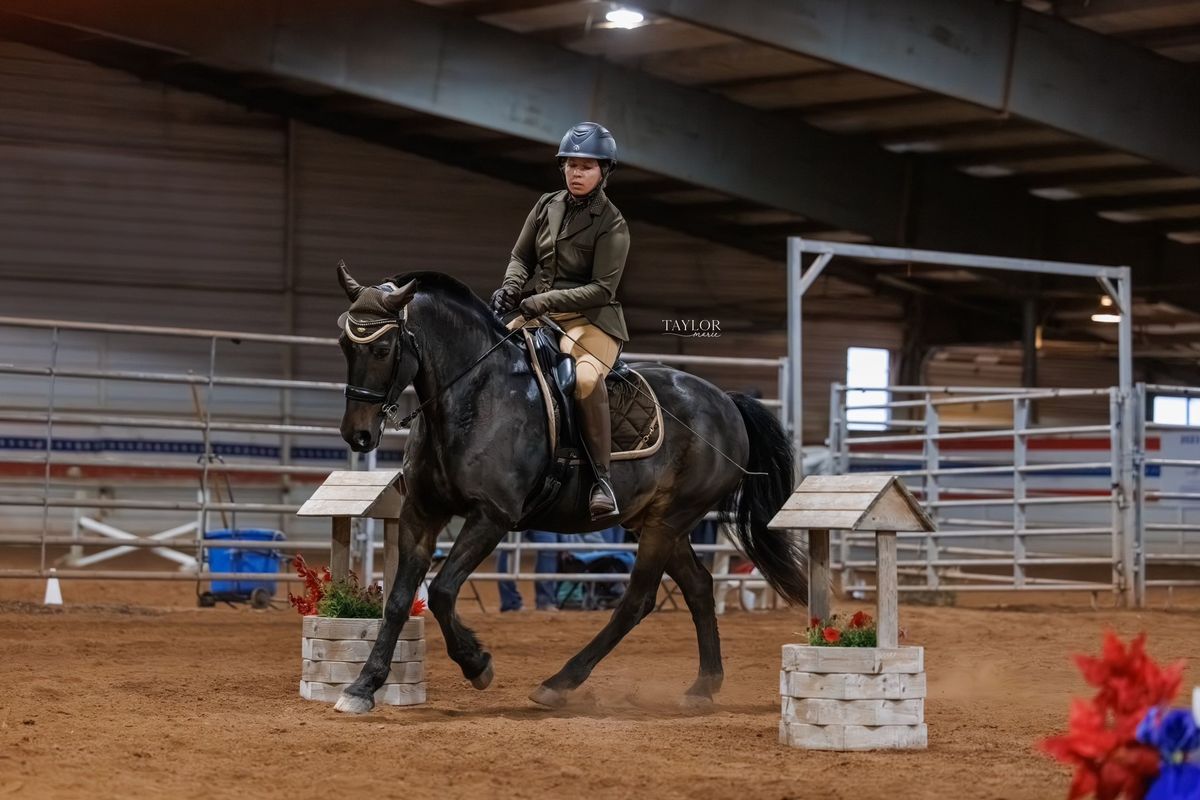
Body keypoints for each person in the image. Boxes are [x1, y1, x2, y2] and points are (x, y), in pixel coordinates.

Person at [490, 122, 630, 519]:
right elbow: (521, 257)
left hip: (591, 321)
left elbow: (603, 289)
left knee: (585, 380)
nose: (576, 173)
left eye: (586, 167)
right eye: (570, 165)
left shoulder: (613, 223)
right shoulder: (545, 205)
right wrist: (511, 287)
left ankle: (601, 481)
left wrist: (543, 299)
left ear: (604, 171)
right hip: (538, 316)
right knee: (489, 357)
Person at [496, 529, 565, 612]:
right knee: (510, 548)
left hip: (540, 517)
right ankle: (511, 603)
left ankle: (545, 601)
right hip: (517, 518)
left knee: (549, 547)